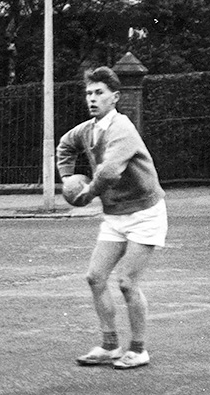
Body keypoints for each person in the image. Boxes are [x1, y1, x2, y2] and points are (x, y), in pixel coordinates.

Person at [56, 66, 167, 369]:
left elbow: (108, 172)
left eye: (99, 93)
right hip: (115, 214)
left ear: (115, 97)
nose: (92, 98)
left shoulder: (123, 129)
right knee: (95, 277)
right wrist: (67, 178)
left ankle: (139, 349)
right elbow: (65, 146)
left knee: (128, 282)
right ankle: (109, 346)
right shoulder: (88, 129)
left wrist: (85, 194)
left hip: (145, 213)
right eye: (89, 93)